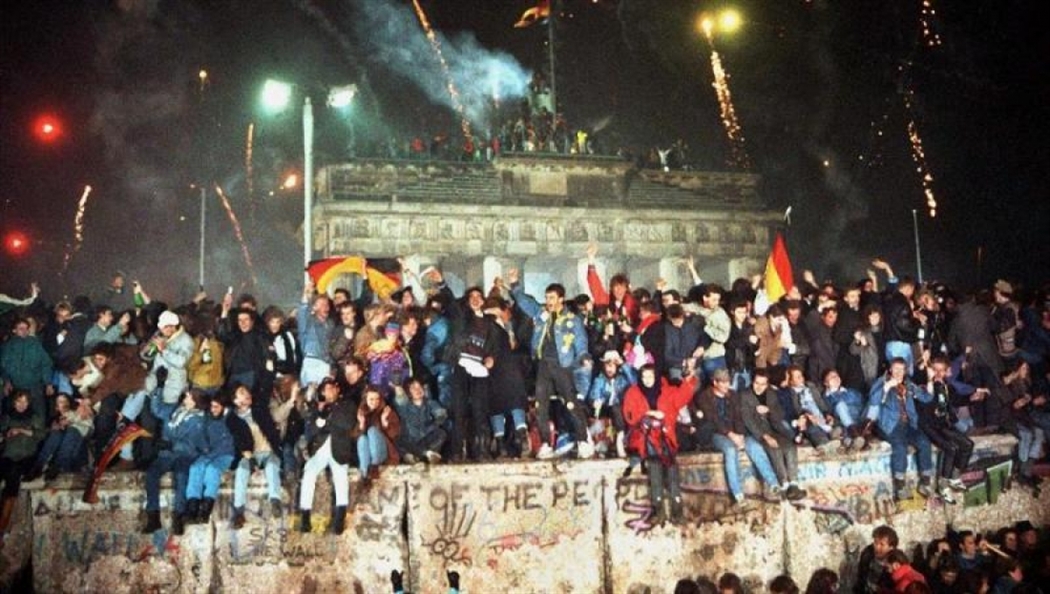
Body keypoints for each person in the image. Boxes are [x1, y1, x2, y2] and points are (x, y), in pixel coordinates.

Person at [508, 268, 592, 459]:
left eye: (552, 298)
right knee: (541, 404)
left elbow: (581, 341)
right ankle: (546, 443)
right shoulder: (541, 314)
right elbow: (525, 303)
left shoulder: (572, 319)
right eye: (546, 297)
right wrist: (514, 284)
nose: (548, 301)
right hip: (543, 365)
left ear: (561, 299)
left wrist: (583, 357)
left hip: (563, 365)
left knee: (570, 402)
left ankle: (583, 439)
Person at [622, 363, 697, 525]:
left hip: (665, 437)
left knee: (672, 473)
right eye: (644, 377)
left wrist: (688, 379)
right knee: (655, 472)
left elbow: (683, 397)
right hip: (647, 437)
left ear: (656, 377)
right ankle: (658, 510)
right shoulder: (633, 392)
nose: (647, 380)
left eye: (650, 376)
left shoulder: (667, 391)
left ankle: (677, 511)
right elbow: (629, 415)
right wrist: (647, 414)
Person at [699, 368, 784, 506]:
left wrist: (740, 435)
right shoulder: (705, 397)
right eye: (723, 383)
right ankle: (738, 493)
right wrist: (731, 435)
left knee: (755, 446)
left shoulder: (733, 395)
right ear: (715, 383)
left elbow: (739, 417)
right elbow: (713, 419)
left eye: (728, 382)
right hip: (717, 433)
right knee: (730, 450)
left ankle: (773, 483)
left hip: (736, 433)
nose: (727, 385)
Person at [865, 358, 936, 501]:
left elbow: (926, 398)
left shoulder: (908, 384)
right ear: (890, 370)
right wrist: (887, 387)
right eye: (895, 369)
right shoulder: (881, 381)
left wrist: (930, 379)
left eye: (901, 369)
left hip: (909, 424)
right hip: (889, 424)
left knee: (924, 442)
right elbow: (873, 401)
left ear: (905, 371)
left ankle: (925, 483)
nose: (898, 372)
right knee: (900, 446)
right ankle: (900, 487)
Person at [142, 389, 206, 535]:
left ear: (196, 402)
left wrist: (171, 444)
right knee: (151, 474)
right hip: (167, 455)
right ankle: (153, 516)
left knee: (181, 475)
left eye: (189, 396)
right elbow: (157, 409)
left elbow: (192, 444)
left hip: (185, 455)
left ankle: (179, 517)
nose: (185, 397)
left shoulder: (199, 420)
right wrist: (158, 389)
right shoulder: (176, 410)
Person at [298, 377, 355, 535]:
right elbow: (310, 431)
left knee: (341, 476)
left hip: (339, 447)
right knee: (309, 472)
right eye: (326, 389)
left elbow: (347, 423)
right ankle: (305, 516)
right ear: (322, 392)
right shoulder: (316, 407)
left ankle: (340, 517)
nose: (330, 391)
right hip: (320, 449)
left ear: (337, 390)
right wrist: (321, 418)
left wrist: (328, 413)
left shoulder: (347, 404)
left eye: (332, 388)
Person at [740, 369, 806, 501]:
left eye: (763, 384)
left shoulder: (771, 393)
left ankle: (793, 484)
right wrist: (765, 436)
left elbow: (780, 414)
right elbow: (748, 421)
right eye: (756, 383)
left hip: (773, 429)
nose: (759, 387)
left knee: (790, 447)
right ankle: (784, 485)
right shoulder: (744, 395)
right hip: (756, 433)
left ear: (767, 384)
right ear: (752, 382)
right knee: (775, 449)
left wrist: (769, 411)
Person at [916, 355, 973, 503]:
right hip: (929, 425)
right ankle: (943, 486)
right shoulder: (926, 385)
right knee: (951, 448)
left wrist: (972, 397)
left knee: (968, 444)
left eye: (941, 370)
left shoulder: (945, 386)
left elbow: (949, 407)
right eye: (935, 370)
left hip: (942, 425)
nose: (938, 373)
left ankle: (955, 478)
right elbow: (926, 400)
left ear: (947, 371)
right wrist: (926, 374)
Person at [185, 394, 243, 525]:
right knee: (195, 468)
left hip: (225, 454)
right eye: (211, 406)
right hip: (209, 453)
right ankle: (192, 505)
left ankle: (206, 507)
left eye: (216, 407)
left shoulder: (230, 419)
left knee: (212, 470)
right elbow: (201, 436)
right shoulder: (207, 419)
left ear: (223, 407)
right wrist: (203, 447)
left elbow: (238, 439)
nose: (213, 409)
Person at [0, 391, 43, 548]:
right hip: (8, 455)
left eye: (25, 402)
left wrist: (21, 430)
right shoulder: (7, 417)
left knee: (12, 482)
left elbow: (41, 434)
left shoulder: (34, 417)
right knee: (8, 469)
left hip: (26, 457)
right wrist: (6, 434)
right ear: (14, 402)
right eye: (19, 401)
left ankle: (2, 529)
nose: (22, 405)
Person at [1, 316, 53, 419]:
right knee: (13, 412)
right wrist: (6, 381)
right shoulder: (7, 347)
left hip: (34, 386)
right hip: (16, 386)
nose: (24, 331)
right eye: (21, 328)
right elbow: (3, 366)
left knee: (39, 412)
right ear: (14, 330)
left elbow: (46, 364)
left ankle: (39, 428)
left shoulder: (36, 344)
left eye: (26, 328)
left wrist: (48, 383)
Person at [31, 393, 92, 480]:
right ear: (56, 406)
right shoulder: (57, 419)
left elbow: (89, 424)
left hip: (79, 444)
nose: (64, 404)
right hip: (66, 448)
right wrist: (58, 427)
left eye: (65, 401)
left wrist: (72, 421)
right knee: (56, 434)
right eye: (60, 402)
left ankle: (57, 466)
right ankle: (39, 466)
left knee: (72, 431)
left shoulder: (78, 409)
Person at [394, 377, 447, 464]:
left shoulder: (430, 403)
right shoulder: (405, 405)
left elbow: (440, 413)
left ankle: (424, 456)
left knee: (441, 433)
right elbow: (400, 397)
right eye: (413, 388)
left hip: (426, 438)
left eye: (419, 387)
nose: (417, 390)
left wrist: (438, 419)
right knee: (399, 441)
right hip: (411, 440)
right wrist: (397, 384)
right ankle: (426, 454)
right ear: (408, 392)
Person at [355, 384, 401, 483]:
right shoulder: (361, 413)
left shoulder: (387, 411)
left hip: (385, 453)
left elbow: (395, 434)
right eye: (371, 399)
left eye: (377, 399)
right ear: (366, 399)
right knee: (362, 439)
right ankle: (365, 473)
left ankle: (374, 465)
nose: (375, 402)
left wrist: (384, 421)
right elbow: (355, 438)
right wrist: (362, 423)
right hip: (368, 454)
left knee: (372, 431)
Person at [854, 525, 898, 594]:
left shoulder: (896, 563)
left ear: (891, 547)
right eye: (876, 542)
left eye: (882, 544)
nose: (877, 547)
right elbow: (861, 578)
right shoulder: (867, 555)